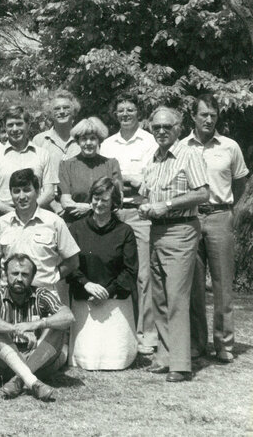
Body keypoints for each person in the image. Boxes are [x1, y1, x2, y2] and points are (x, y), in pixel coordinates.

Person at [139, 106, 210, 382]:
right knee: (159, 297)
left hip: (181, 231)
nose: (161, 131)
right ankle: (165, 356)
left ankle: (181, 363)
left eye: (166, 127)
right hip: (155, 232)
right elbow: (146, 194)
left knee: (177, 296)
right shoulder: (154, 158)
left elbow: (203, 193)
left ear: (178, 128)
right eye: (156, 127)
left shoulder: (189, 154)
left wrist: (166, 205)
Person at [183, 93, 249, 363]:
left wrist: (234, 212)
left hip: (221, 216)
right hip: (191, 219)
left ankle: (224, 344)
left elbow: (241, 183)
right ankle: (198, 343)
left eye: (213, 115)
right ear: (193, 117)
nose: (208, 119)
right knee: (195, 285)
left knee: (223, 285)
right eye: (203, 114)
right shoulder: (181, 147)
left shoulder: (230, 146)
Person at [100, 92, 159, 354]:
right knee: (116, 273)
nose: (125, 114)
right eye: (121, 110)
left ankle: (146, 334)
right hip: (114, 213)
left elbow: (149, 179)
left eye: (130, 110)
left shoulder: (150, 141)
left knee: (143, 275)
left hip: (140, 213)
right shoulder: (107, 144)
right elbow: (106, 181)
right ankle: (119, 330)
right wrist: (130, 179)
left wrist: (124, 179)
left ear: (139, 113)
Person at [0, 254, 74, 401]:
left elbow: (68, 316)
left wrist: (37, 324)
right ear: (5, 275)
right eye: (15, 273)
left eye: (25, 274)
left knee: (57, 327)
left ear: (32, 277)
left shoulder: (41, 294)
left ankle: (19, 379)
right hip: (4, 364)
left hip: (38, 359)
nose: (19, 279)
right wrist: (15, 329)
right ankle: (31, 380)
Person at [66, 177, 138, 370]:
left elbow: (130, 270)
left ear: (114, 202)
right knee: (86, 358)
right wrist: (86, 285)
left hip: (114, 301)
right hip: (85, 299)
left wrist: (108, 291)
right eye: (96, 198)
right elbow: (69, 265)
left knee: (116, 359)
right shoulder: (76, 229)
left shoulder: (125, 231)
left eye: (105, 200)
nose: (99, 204)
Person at [0, 168, 80, 297]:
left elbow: (72, 261)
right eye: (16, 191)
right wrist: (6, 276)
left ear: (38, 191)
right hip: (11, 296)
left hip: (44, 294)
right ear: (11, 194)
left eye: (27, 190)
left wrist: (52, 277)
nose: (22, 196)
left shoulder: (54, 222)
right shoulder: (2, 223)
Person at [0, 106, 58, 220]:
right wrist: (13, 213)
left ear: (28, 125)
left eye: (19, 124)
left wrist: (29, 211)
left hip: (36, 219)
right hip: (3, 218)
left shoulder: (43, 154)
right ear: (5, 128)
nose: (15, 129)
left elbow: (49, 192)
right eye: (10, 125)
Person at [58, 117, 123, 223]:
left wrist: (89, 208)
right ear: (78, 141)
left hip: (105, 223)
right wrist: (99, 206)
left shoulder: (111, 164)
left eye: (93, 138)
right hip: (75, 223)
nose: (88, 143)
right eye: (84, 139)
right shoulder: (66, 165)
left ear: (99, 140)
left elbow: (117, 200)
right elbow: (65, 201)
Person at [32, 90, 82, 164]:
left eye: (66, 107)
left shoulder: (84, 139)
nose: (62, 112)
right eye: (57, 108)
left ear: (74, 111)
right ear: (50, 113)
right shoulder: (39, 141)